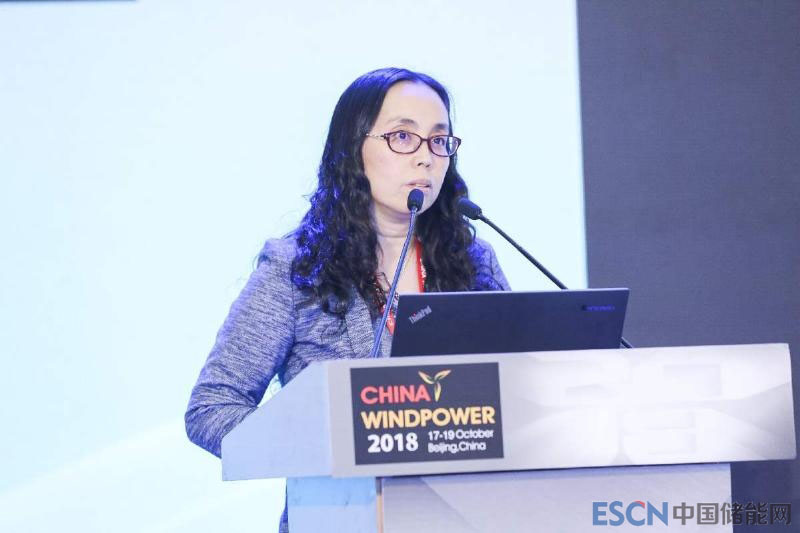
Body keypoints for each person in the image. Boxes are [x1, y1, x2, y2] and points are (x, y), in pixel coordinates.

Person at [185, 67, 510, 532]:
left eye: (439, 140)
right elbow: (212, 408)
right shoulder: (296, 269)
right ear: (353, 148)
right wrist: (327, 446)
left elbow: (515, 390)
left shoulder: (473, 261)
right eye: (403, 137)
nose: (425, 158)